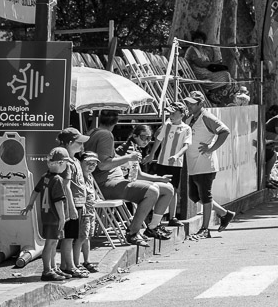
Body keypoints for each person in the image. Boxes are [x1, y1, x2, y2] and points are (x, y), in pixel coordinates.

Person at [85, 110, 172, 246]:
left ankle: (152, 227)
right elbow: (103, 165)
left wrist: (159, 178)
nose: (147, 141)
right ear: (116, 121)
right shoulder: (105, 135)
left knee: (166, 189)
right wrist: (129, 157)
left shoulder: (93, 132)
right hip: (106, 184)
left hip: (111, 182)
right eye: (145, 138)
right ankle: (133, 232)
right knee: (152, 191)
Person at [182, 91, 234, 237]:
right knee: (194, 195)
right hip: (193, 163)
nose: (189, 106)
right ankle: (224, 214)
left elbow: (224, 131)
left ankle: (205, 229)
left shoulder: (207, 117)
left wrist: (211, 148)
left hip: (204, 163)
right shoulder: (190, 116)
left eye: (192, 103)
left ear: (201, 104)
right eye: (188, 103)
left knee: (205, 196)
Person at [28, 147, 75, 282]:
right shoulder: (58, 180)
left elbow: (35, 191)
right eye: (65, 164)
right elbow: (58, 201)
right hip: (54, 217)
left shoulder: (45, 177)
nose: (65, 167)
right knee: (50, 243)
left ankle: (53, 268)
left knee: (53, 243)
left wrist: (30, 204)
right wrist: (62, 218)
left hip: (46, 216)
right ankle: (47, 270)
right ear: (60, 163)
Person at [54, 129, 91, 277]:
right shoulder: (67, 162)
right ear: (69, 143)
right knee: (68, 237)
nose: (82, 146)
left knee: (72, 236)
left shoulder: (75, 160)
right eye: (79, 142)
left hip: (79, 202)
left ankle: (67, 264)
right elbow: (66, 186)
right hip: (72, 203)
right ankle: (69, 266)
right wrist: (70, 206)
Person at [147, 106, 191, 224]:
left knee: (173, 190)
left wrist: (177, 156)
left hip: (176, 164)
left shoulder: (186, 128)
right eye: (170, 114)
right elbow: (158, 140)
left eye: (173, 114)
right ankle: (157, 217)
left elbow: (186, 145)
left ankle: (172, 217)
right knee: (159, 189)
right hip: (162, 161)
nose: (171, 116)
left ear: (182, 114)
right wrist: (152, 155)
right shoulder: (166, 126)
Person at [263, 104, 278, 184]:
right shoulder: (276, 119)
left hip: (268, 138)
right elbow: (277, 131)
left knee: (273, 154)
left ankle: (269, 177)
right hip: (265, 136)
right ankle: (267, 178)